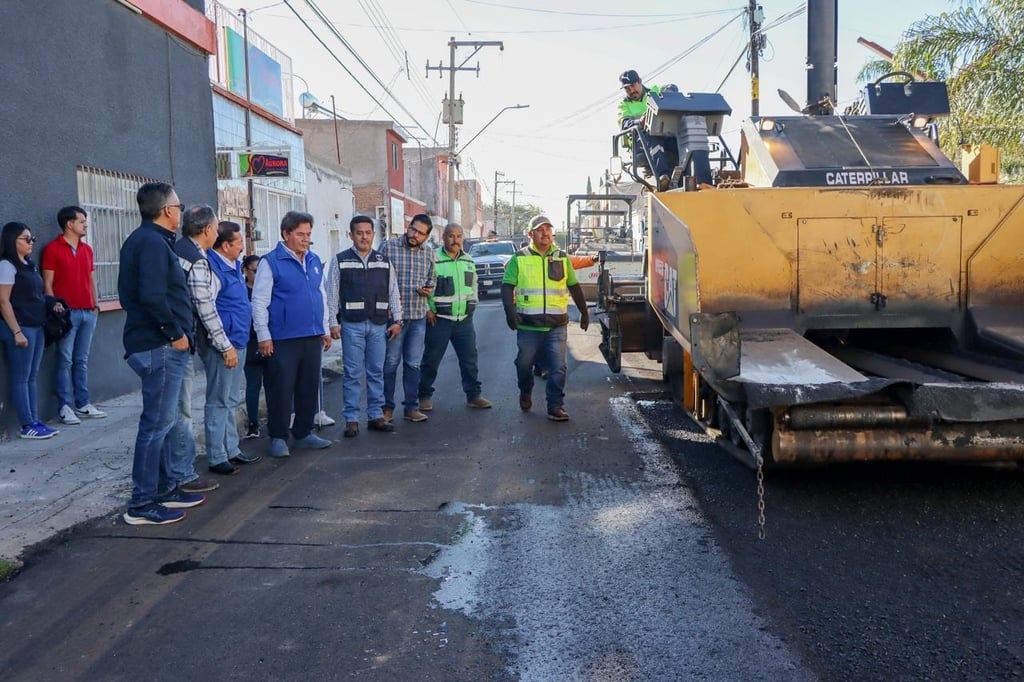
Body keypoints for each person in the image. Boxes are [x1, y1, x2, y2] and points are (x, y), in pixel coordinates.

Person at [118, 182, 206, 525]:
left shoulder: (151, 240)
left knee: (165, 423)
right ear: (167, 210)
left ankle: (166, 489)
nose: (181, 211)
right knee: (155, 426)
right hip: (159, 346)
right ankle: (141, 504)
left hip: (160, 344)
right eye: (179, 206)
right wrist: (175, 334)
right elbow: (151, 296)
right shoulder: (151, 243)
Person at [251, 210, 333, 458]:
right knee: (281, 388)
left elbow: (321, 295)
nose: (306, 239)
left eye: (308, 234)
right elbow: (259, 301)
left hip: (311, 335)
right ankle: (278, 437)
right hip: (283, 338)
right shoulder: (270, 262)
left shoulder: (314, 260)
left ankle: (304, 432)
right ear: (286, 234)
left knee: (308, 386)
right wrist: (263, 335)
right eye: (300, 234)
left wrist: (325, 328)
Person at [501, 215, 589, 422]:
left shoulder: (561, 257)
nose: (545, 233)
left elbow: (574, 286)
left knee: (558, 367)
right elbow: (507, 286)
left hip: (556, 325)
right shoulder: (519, 258)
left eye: (548, 229)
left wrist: (584, 312)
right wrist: (509, 311)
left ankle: (555, 405)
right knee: (524, 365)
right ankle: (525, 390)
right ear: (530, 234)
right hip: (528, 325)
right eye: (540, 230)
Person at [326, 215, 403, 438]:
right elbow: (332, 294)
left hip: (378, 324)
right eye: (359, 233)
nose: (364, 237)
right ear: (351, 235)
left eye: (368, 233)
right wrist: (332, 322)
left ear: (373, 234)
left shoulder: (383, 261)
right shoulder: (340, 260)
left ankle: (375, 415)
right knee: (352, 373)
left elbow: (393, 291)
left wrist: (398, 320)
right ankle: (351, 419)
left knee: (376, 372)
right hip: (352, 325)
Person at [41, 206, 106, 426]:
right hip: (66, 314)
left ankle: (83, 403)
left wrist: (95, 305)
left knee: (81, 360)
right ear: (69, 224)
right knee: (65, 359)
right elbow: (47, 283)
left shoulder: (87, 250)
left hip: (88, 312)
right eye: (81, 221)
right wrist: (54, 307)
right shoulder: (52, 249)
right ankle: (64, 407)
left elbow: (91, 279)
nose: (86, 225)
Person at [417, 223, 492, 412]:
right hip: (439, 319)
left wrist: (473, 303)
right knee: (431, 360)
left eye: (459, 236)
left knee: (469, 359)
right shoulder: (433, 258)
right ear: (443, 237)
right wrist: (427, 309)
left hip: (464, 320)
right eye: (451, 236)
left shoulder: (468, 260)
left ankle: (473, 396)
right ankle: (424, 396)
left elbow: (474, 284)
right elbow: (422, 286)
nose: (455, 240)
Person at [0, 222, 61, 439]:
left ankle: (35, 420)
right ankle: (27, 425)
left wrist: (52, 303)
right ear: (12, 241)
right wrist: (16, 331)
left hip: (37, 326)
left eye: (32, 238)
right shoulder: (7, 266)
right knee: (21, 378)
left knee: (32, 376)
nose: (31, 242)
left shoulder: (29, 265)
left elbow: (35, 295)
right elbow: (3, 301)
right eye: (26, 239)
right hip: (20, 328)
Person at [381, 214, 435, 423]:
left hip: (418, 317)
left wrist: (427, 290)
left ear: (426, 237)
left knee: (413, 364)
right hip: (394, 319)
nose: (415, 235)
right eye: (413, 229)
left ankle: (411, 408)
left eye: (421, 233)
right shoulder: (388, 248)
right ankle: (386, 409)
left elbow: (432, 280)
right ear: (408, 226)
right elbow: (377, 279)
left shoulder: (428, 253)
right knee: (390, 364)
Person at [618, 69, 674, 192]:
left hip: (663, 134)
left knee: (678, 137)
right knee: (651, 135)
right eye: (627, 89)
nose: (631, 91)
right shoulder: (624, 105)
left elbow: (670, 88)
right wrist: (639, 122)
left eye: (633, 86)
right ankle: (662, 176)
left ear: (640, 81)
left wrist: (670, 91)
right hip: (640, 141)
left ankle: (692, 174)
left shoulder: (654, 92)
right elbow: (624, 123)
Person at [241, 254, 264, 439]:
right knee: (253, 386)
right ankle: (253, 424)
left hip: (269, 342)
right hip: (249, 343)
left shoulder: (268, 289)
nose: (258, 275)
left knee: (274, 384)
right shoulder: (241, 292)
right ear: (246, 271)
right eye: (255, 271)